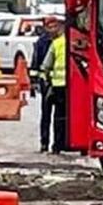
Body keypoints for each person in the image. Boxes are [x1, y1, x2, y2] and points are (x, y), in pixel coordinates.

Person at [39, 18, 67, 154]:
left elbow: (45, 65)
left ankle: (54, 146)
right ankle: (60, 144)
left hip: (56, 86)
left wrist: (45, 79)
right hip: (70, 87)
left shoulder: (56, 44)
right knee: (63, 117)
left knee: (56, 117)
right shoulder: (76, 42)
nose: (52, 30)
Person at [33, 17, 56, 152]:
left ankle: (59, 143)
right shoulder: (42, 42)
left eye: (55, 26)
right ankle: (44, 142)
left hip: (60, 84)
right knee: (46, 114)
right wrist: (34, 82)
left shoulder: (62, 41)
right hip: (46, 83)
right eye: (50, 27)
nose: (53, 29)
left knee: (60, 115)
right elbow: (36, 62)